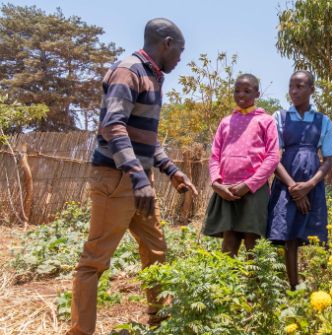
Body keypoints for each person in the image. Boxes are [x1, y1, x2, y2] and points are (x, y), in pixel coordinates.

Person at [69, 18, 197, 335]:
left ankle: (161, 325)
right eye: (180, 50)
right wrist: (139, 178)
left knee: (157, 252)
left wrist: (172, 171)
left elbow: (147, 141)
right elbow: (113, 126)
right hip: (116, 179)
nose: (181, 58)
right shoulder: (129, 70)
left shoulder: (153, 77)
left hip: (139, 182)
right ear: (166, 43)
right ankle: (80, 331)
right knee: (94, 262)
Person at [267, 70, 332, 290]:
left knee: (315, 233)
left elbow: (329, 158)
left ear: (312, 90)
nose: (294, 91)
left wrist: (308, 185)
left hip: (312, 185)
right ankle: (293, 286)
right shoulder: (279, 117)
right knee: (289, 236)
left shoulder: (322, 121)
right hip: (285, 184)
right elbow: (273, 157)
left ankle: (321, 285)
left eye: (300, 86)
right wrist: (293, 187)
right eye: (291, 86)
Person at [202, 74, 280, 256]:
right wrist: (216, 183)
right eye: (237, 90)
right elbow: (214, 156)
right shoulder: (226, 122)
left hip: (253, 190)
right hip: (227, 190)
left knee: (253, 241)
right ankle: (228, 283)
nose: (241, 95)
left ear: (257, 93)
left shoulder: (266, 121)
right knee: (229, 241)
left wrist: (250, 184)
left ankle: (254, 283)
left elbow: (272, 157)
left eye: (247, 90)